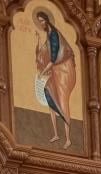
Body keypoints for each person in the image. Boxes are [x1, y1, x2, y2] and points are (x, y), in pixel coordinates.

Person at [34, 8, 76, 147]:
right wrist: (38, 41)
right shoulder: (49, 34)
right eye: (39, 21)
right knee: (49, 94)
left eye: (42, 21)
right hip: (54, 71)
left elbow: (53, 59)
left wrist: (42, 73)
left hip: (62, 71)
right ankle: (56, 134)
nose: (41, 24)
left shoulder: (53, 35)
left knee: (63, 102)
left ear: (47, 21)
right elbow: (44, 53)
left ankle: (68, 138)